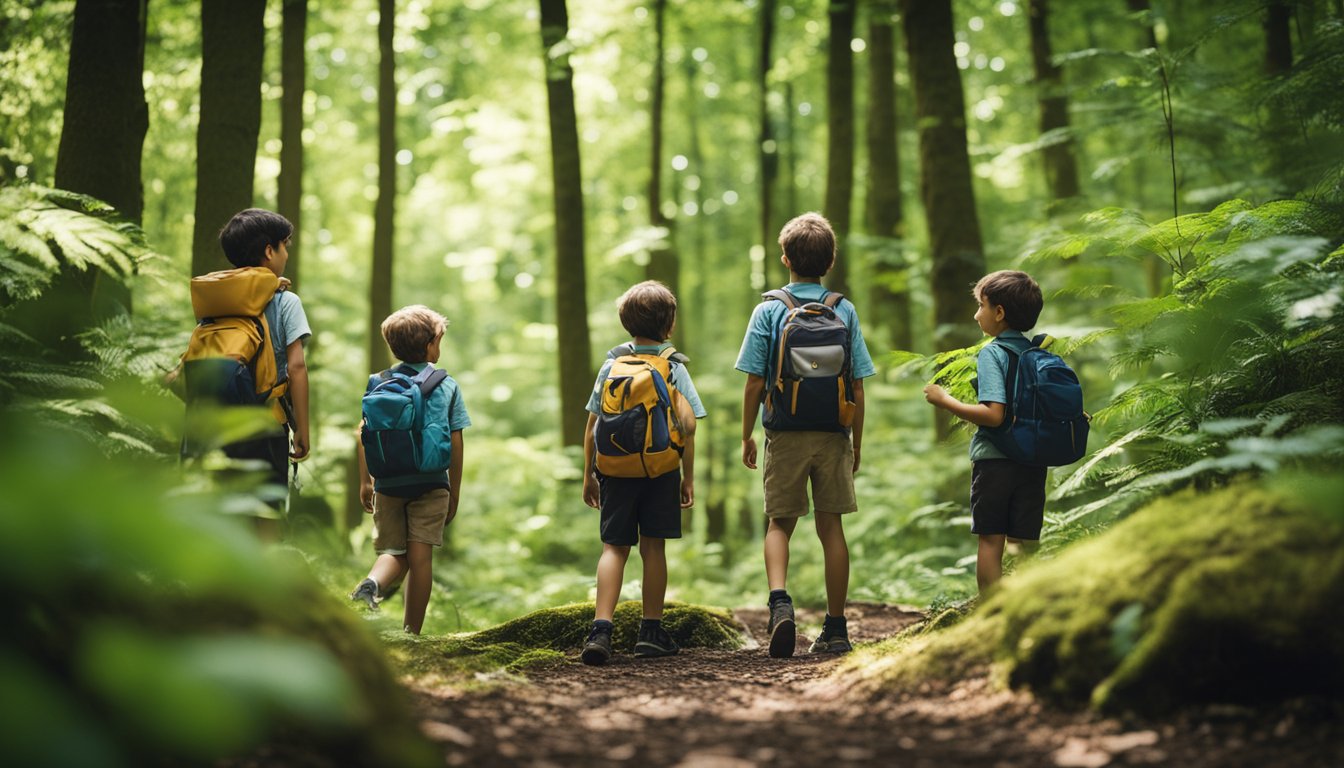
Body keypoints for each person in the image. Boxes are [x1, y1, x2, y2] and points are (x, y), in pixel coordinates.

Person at [736, 212, 876, 658]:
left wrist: (747, 434)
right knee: (830, 526)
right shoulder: (844, 309)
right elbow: (857, 384)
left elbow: (755, 381)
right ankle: (836, 628)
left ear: (784, 259)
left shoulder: (769, 310)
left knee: (780, 523)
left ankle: (780, 604)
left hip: (785, 432)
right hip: (833, 433)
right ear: (830, 261)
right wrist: (856, 441)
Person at [580, 281, 705, 666]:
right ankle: (651, 632)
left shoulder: (610, 366)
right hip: (661, 469)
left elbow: (592, 427)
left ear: (626, 323)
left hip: (614, 470)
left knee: (613, 548)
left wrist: (589, 475)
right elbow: (687, 427)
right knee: (653, 548)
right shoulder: (674, 367)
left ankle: (601, 629)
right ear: (669, 325)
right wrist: (687, 478)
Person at [923, 270, 1047, 594]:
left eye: (981, 305)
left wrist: (945, 401)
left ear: (999, 312)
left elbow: (994, 415)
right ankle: (1030, 608)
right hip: (1034, 461)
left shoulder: (993, 353)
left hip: (996, 462)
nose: (976, 314)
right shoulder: (1038, 353)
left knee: (992, 541)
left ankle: (991, 613)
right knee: (1026, 543)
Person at [349, 305, 470, 635]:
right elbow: (456, 443)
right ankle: (411, 634)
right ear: (431, 345)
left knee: (394, 553)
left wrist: (365, 482)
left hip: (387, 482)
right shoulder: (446, 385)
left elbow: (364, 433)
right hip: (431, 482)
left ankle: (372, 583)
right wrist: (453, 491)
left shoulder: (379, 382)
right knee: (419, 560)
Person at [216, 208, 311, 537]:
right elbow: (297, 367)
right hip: (266, 423)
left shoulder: (216, 300)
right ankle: (259, 585)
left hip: (219, 423)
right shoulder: (286, 301)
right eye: (285, 245)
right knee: (265, 515)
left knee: (225, 511)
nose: (287, 252)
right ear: (269, 251)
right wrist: (302, 428)